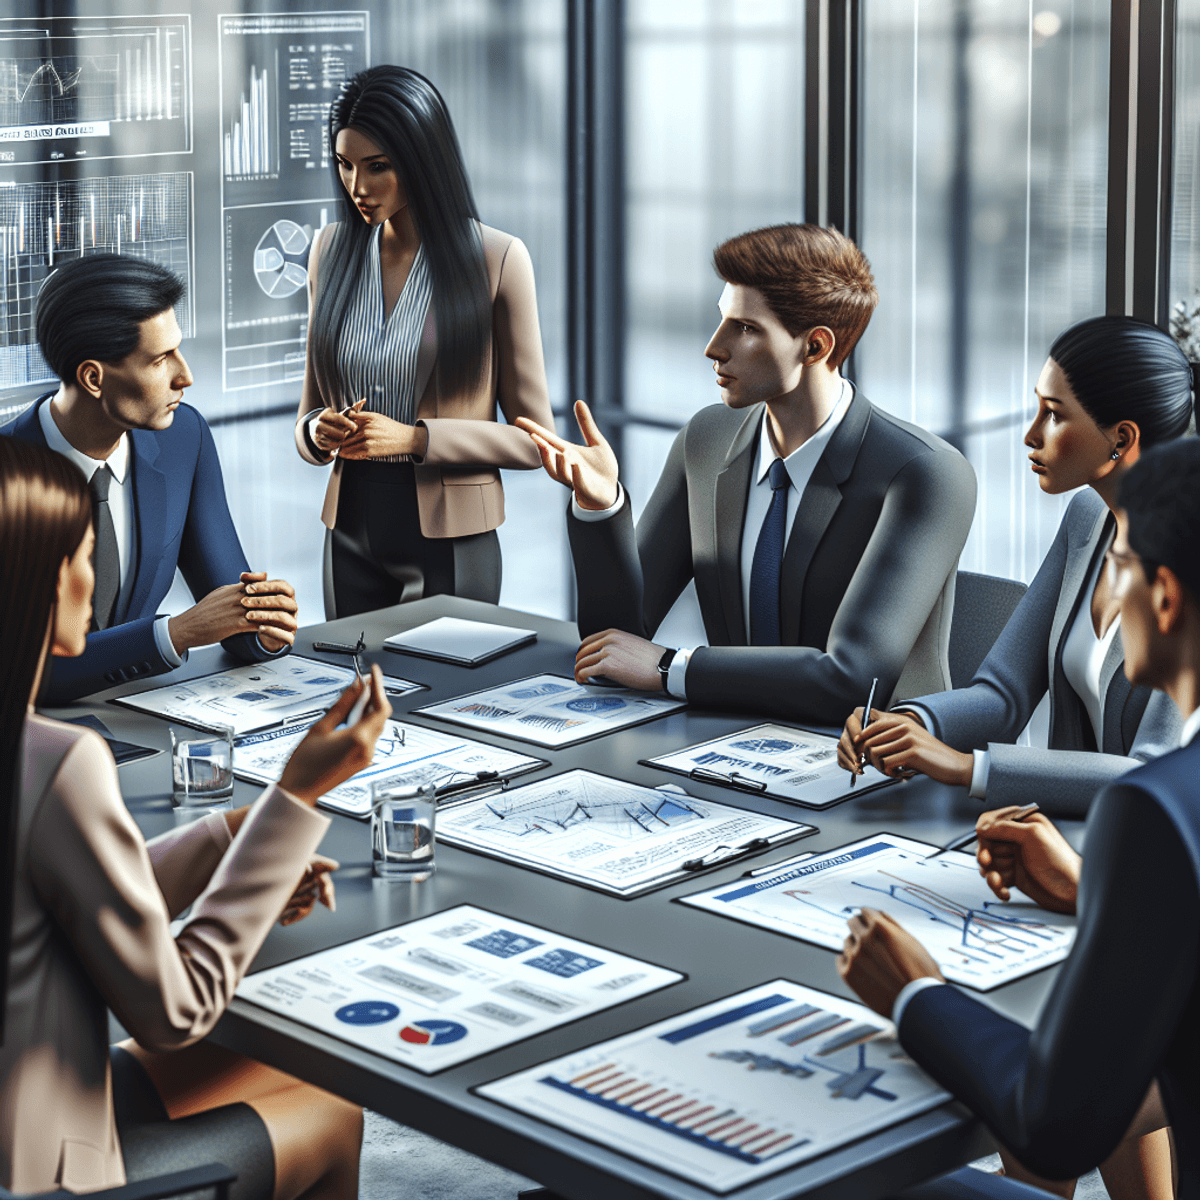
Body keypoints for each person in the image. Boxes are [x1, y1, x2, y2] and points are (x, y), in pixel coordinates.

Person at [0, 436, 393, 1198]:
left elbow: (58, 894)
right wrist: (293, 799)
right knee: (332, 1106)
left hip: (26, 1094)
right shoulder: (57, 762)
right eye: (83, 557)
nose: (94, 580)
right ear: (38, 583)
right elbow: (175, 1012)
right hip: (44, 1165)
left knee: (282, 1067)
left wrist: (238, 841)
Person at [836, 437, 1200, 1198]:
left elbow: (1053, 1123)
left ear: (1163, 597)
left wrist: (915, 993)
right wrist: (1092, 897)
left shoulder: (1155, 807)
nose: (1107, 589)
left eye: (1120, 565)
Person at [518, 223, 976, 724]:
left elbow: (850, 680)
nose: (715, 348)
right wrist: (600, 506)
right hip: (731, 739)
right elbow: (616, 644)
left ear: (816, 347)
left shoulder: (925, 472)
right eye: (722, 321)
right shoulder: (707, 440)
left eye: (746, 328)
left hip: (878, 765)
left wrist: (674, 668)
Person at [837, 316, 1189, 816]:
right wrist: (913, 723)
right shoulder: (1088, 518)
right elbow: (1004, 693)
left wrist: (969, 769)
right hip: (1064, 828)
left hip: (1152, 849)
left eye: (1054, 415)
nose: (1030, 435)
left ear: (1122, 438)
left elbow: (1152, 771)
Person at [295, 65, 555, 618]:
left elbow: (535, 444)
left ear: (422, 158)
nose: (358, 187)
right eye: (344, 165)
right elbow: (307, 419)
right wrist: (318, 430)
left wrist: (415, 440)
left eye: (378, 167)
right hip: (349, 531)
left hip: (451, 537)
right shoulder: (329, 250)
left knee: (439, 698)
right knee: (356, 694)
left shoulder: (497, 260)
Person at [1, 254, 300, 705]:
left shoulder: (184, 439)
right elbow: (19, 670)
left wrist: (265, 625)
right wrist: (176, 633)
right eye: (161, 360)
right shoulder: (10, 474)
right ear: (93, 378)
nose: (186, 376)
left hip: (148, 719)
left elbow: (230, 606)